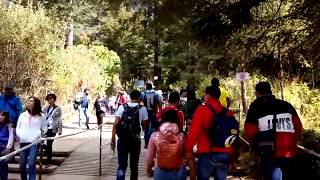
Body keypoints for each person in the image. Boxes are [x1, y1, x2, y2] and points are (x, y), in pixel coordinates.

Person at [245, 82, 303, 180]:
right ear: (270, 91)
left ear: (257, 93)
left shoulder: (256, 106)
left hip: (268, 150)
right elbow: (298, 126)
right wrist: (293, 141)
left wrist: (256, 147)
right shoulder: (286, 105)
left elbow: (249, 129)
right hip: (289, 149)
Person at [185, 86, 236, 180]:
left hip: (207, 154)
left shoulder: (202, 110)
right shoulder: (228, 113)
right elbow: (233, 136)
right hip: (225, 154)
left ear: (207, 95)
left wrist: (188, 150)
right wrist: (232, 158)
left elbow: (193, 133)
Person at [111, 90, 148, 180]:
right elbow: (145, 125)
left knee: (122, 166)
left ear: (130, 97)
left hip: (122, 140)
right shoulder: (142, 109)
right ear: (139, 98)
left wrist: (112, 140)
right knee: (134, 166)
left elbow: (115, 124)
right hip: (135, 141)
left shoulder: (122, 107)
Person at [147, 110, 186, 180]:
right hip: (178, 170)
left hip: (160, 169)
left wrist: (149, 168)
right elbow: (187, 154)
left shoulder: (155, 134)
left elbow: (150, 155)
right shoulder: (182, 135)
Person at [16, 96, 47, 180]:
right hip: (23, 142)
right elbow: (18, 128)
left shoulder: (42, 116)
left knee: (31, 163)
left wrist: (39, 136)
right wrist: (20, 135)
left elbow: (44, 129)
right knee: (22, 165)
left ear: (36, 103)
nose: (29, 102)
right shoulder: (22, 115)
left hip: (34, 143)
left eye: (31, 101)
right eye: (28, 101)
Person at [43, 93, 62, 165]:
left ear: (54, 100)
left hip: (53, 128)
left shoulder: (58, 109)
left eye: (51, 99)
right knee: (40, 142)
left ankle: (48, 159)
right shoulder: (45, 108)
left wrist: (60, 129)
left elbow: (59, 119)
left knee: (49, 143)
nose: (49, 100)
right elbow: (42, 118)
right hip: (45, 128)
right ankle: (47, 152)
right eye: (48, 99)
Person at [141, 83, 162, 148]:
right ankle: (153, 143)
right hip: (153, 113)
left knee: (146, 129)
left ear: (146, 87)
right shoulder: (155, 94)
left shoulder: (143, 94)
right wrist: (160, 110)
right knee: (154, 128)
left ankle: (147, 144)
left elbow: (139, 101)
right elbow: (159, 102)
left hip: (145, 112)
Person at [0, 112, 14, 180]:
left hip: (4, 147)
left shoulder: (9, 125)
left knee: (3, 165)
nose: (0, 116)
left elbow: (11, 136)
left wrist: (8, 147)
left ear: (5, 116)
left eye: (2, 115)